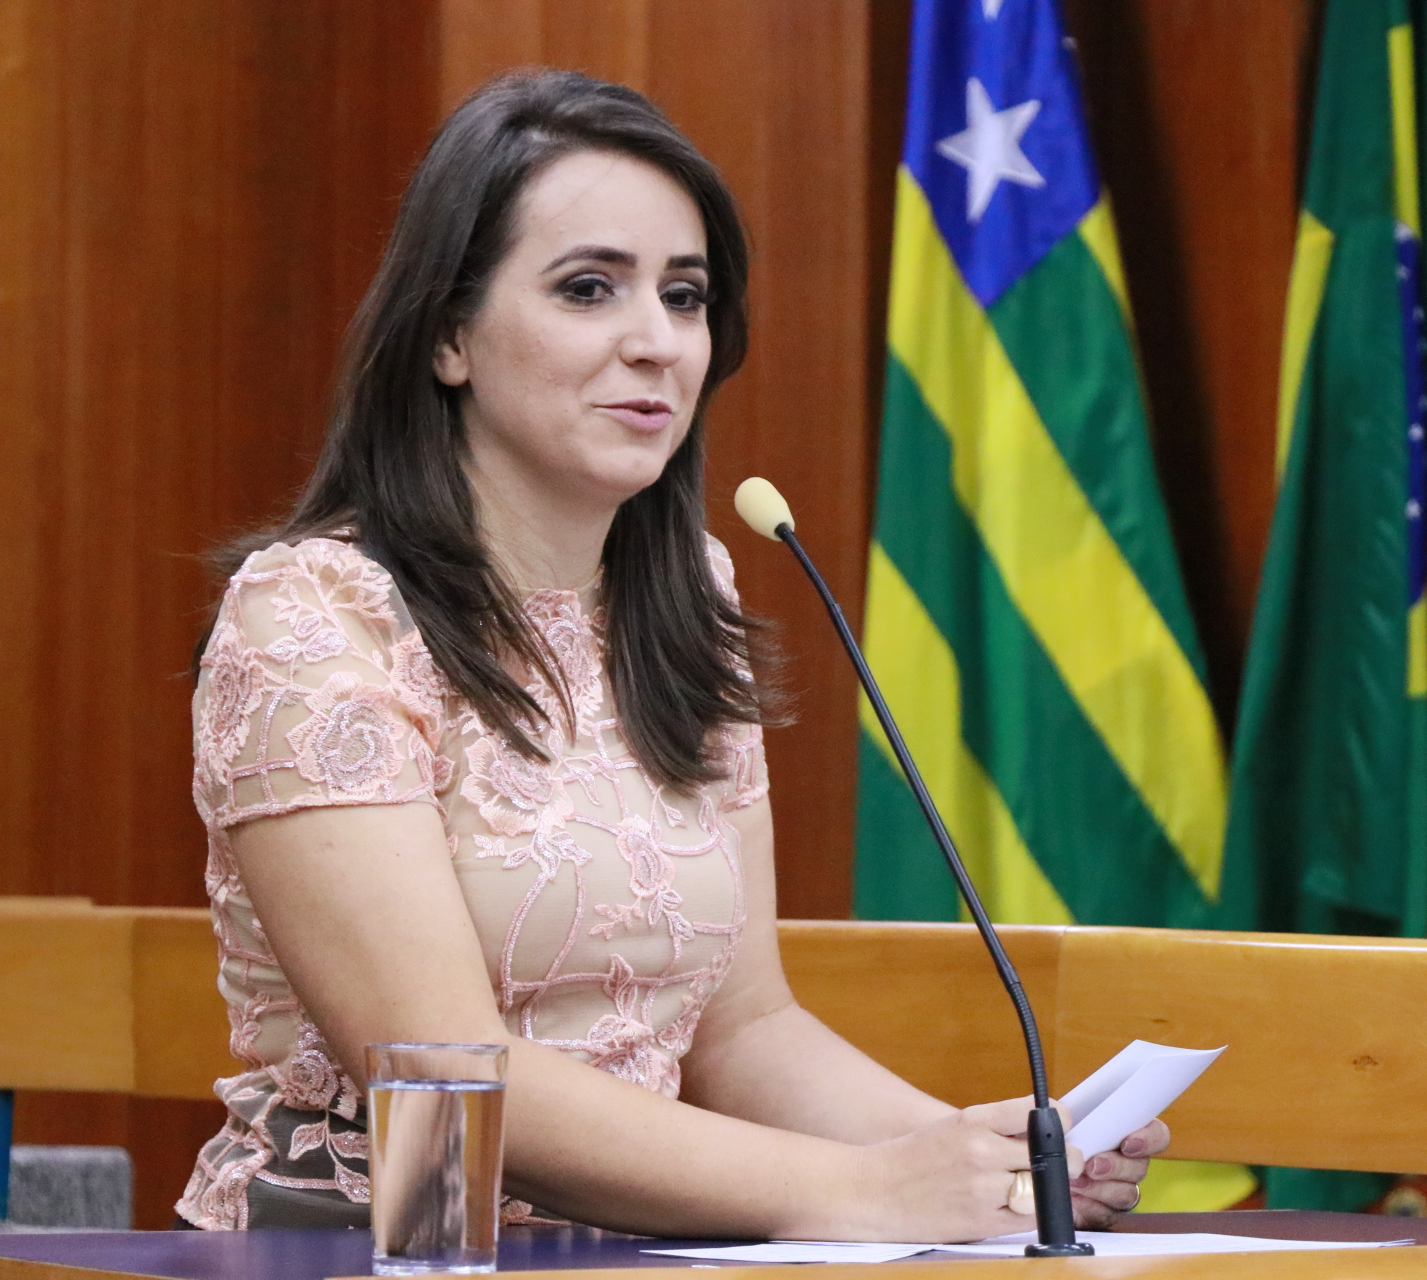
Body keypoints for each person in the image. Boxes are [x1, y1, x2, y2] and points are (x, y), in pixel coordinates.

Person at [175, 70, 1165, 1238]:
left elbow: (744, 1034)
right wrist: (857, 1189)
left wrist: (1000, 1164)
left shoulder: (688, 590)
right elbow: (439, 1070)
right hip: (376, 1240)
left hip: (639, 1244)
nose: (656, 343)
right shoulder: (315, 614)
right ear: (448, 335)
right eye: (588, 288)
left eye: (684, 296)